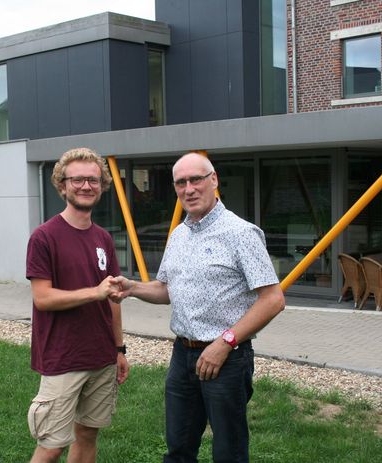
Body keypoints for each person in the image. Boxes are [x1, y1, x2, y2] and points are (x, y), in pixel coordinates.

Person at [112, 152, 285, 463]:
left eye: (196, 180)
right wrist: (133, 287)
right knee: (178, 448)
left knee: (228, 452)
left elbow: (273, 299)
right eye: (181, 182)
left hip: (227, 358)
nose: (188, 188)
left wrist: (225, 342)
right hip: (183, 357)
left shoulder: (241, 233)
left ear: (214, 180)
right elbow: (166, 289)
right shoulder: (178, 234)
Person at [26, 147, 129, 463]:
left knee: (87, 435)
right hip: (62, 357)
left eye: (93, 180)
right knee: (52, 445)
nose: (86, 186)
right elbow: (42, 298)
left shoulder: (103, 238)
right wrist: (93, 293)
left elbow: (112, 299)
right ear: (62, 185)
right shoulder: (44, 237)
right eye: (78, 180)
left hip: (101, 356)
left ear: (102, 186)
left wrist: (119, 349)